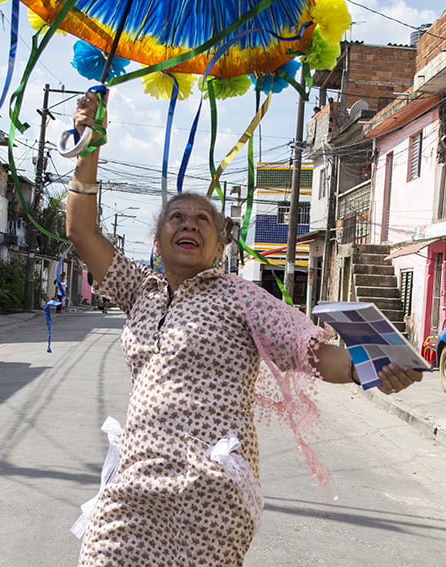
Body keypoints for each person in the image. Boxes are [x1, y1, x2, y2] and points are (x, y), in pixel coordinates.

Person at [66, 91, 422, 566]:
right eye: (177, 217)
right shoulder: (139, 290)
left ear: (218, 246)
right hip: (134, 481)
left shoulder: (240, 296)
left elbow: (311, 352)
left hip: (210, 487)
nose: (188, 224)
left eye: (202, 220)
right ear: (157, 239)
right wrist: (89, 145)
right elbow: (81, 232)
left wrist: (368, 367)